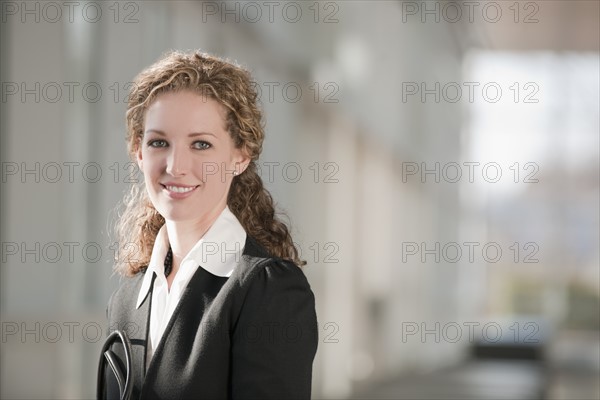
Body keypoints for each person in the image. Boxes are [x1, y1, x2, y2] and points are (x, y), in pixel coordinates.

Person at [101, 50, 318, 399]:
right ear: (139, 153)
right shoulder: (127, 301)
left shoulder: (268, 291)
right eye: (159, 142)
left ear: (240, 156)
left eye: (201, 144)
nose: (176, 165)